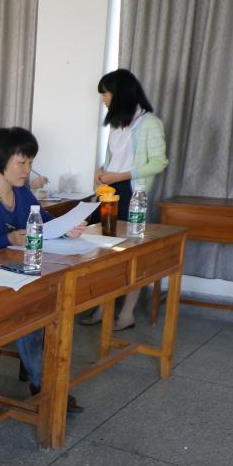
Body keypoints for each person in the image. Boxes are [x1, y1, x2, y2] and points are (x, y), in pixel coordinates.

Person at [0, 126, 86, 414]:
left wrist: (67, 228)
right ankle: (44, 384)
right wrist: (7, 239)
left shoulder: (22, 193)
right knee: (30, 308)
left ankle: (43, 377)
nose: (27, 170)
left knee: (46, 302)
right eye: (21, 162)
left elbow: (45, 220)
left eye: (30, 162)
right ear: (1, 160)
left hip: (16, 275)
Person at [83, 68, 168, 331]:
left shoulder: (150, 123)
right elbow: (112, 158)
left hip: (132, 193)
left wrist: (120, 175)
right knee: (101, 250)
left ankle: (127, 314)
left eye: (105, 93)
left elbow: (159, 163)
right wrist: (101, 170)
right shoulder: (117, 124)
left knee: (131, 253)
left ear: (119, 94)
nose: (103, 99)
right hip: (110, 190)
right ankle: (101, 306)